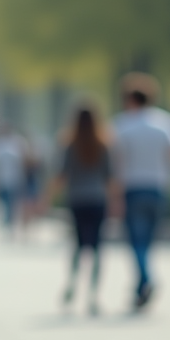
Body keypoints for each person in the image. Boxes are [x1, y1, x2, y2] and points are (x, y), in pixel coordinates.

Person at [110, 73, 170, 310]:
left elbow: (116, 165)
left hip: (132, 190)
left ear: (128, 99)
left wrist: (114, 197)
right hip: (159, 189)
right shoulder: (165, 124)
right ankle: (142, 282)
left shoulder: (120, 126)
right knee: (149, 239)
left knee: (136, 241)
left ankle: (145, 279)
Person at [44, 104, 114, 316]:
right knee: (97, 247)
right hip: (97, 199)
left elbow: (61, 175)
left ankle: (73, 283)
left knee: (76, 245)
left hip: (76, 200)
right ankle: (93, 295)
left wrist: (46, 197)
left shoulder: (69, 145)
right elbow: (110, 177)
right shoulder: (103, 145)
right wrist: (118, 201)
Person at [0, 123, 28, 235]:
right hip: (2, 180)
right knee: (4, 202)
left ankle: (11, 221)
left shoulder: (18, 142)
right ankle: (7, 220)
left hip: (15, 179)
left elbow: (23, 161)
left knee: (12, 202)